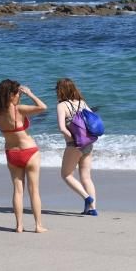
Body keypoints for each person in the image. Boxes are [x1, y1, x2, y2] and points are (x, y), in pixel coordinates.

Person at [0, 80, 48, 233]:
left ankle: (19, 226)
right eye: (17, 94)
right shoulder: (19, 109)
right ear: (11, 95)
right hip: (29, 152)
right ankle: (38, 226)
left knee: (18, 190)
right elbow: (43, 107)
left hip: (12, 153)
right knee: (34, 190)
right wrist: (30, 93)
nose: (19, 97)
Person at [55, 77, 98, 216]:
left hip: (74, 145)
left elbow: (62, 128)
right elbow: (93, 120)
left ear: (60, 91)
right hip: (88, 143)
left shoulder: (62, 106)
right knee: (86, 176)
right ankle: (92, 209)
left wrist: (72, 139)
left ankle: (87, 198)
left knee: (66, 175)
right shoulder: (82, 102)